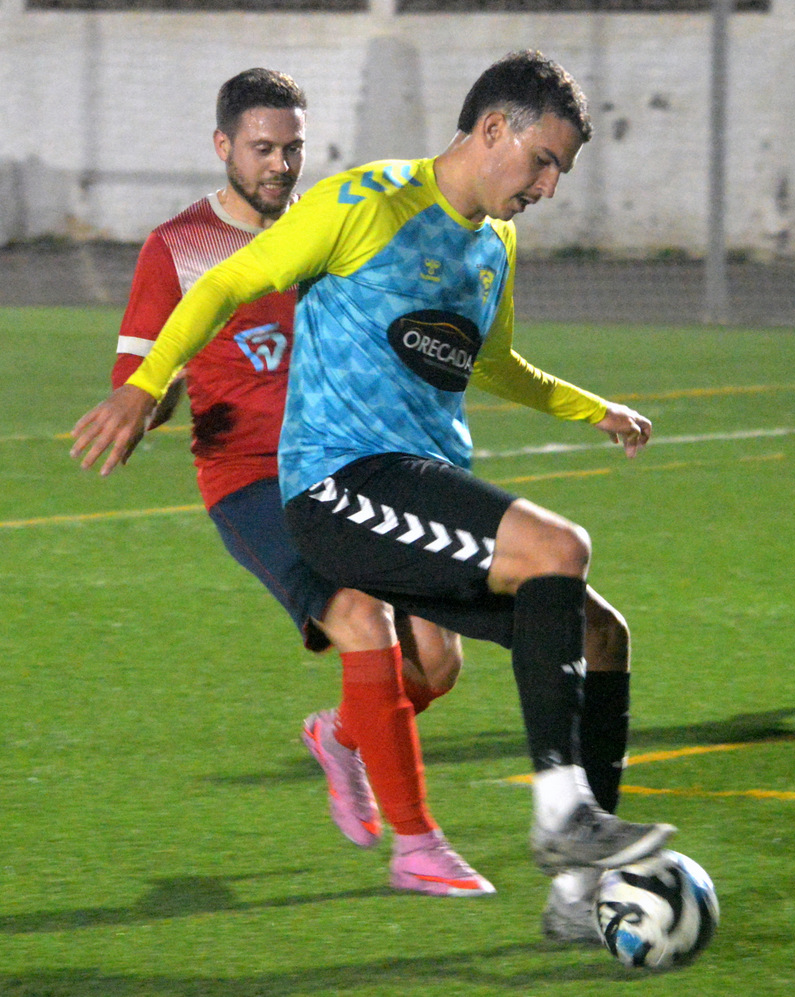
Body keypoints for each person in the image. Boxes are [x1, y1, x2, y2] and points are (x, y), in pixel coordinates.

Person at [72, 50, 673, 939]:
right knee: (558, 547)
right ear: (494, 129)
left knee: (599, 632)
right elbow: (232, 279)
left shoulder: (495, 241)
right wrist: (142, 382)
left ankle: (582, 896)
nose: (549, 186)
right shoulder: (366, 202)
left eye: (562, 171)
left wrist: (593, 408)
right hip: (337, 483)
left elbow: (491, 362)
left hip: (425, 486)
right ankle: (555, 817)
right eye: (543, 160)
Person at [107, 67, 493, 898]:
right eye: (262, 149)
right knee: (362, 617)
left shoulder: (331, 225)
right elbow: (142, 371)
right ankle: (417, 843)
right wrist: (150, 400)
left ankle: (344, 737)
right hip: (250, 478)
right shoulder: (177, 247)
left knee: (437, 662)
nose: (280, 165)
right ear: (223, 147)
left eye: (292, 149)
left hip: (350, 460)